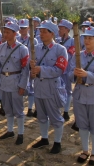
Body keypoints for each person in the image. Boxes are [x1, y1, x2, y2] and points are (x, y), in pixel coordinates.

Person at [69, 26, 94, 166]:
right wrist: (74, 74)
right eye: (85, 38)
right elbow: (69, 74)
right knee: (82, 125)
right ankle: (85, 150)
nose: (86, 40)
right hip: (80, 94)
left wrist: (87, 75)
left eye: (90, 38)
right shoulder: (77, 55)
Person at [30, 20, 68, 154]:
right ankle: (44, 138)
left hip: (52, 88)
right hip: (39, 87)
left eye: (45, 31)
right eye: (40, 31)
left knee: (55, 117)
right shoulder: (37, 48)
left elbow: (59, 70)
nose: (41, 34)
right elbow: (33, 67)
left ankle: (57, 142)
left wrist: (41, 69)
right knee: (41, 115)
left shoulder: (60, 49)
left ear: (52, 33)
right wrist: (32, 69)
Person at [0, 21, 30, 145]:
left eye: (8, 32)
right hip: (4, 81)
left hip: (16, 81)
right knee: (7, 108)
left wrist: (22, 85)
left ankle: (20, 133)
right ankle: (10, 130)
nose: (5, 34)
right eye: (4, 32)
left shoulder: (22, 49)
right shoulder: (1, 47)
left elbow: (25, 70)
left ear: (15, 33)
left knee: (18, 110)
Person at [17, 19, 38, 117]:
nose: (22, 30)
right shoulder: (17, 39)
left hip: (29, 66)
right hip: (18, 66)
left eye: (24, 28)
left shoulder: (33, 40)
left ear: (28, 28)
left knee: (31, 87)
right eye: (20, 28)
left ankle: (30, 108)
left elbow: (36, 54)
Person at [57, 19, 75, 121]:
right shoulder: (57, 40)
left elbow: (70, 55)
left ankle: (66, 111)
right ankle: (58, 110)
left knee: (68, 91)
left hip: (67, 69)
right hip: (58, 69)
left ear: (67, 30)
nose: (59, 30)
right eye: (59, 28)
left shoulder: (72, 41)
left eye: (61, 28)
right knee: (58, 90)